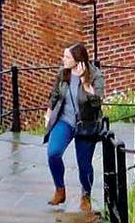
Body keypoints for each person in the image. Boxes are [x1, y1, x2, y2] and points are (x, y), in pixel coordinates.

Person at [45, 42, 105, 210]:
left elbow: (98, 102)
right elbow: (55, 93)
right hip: (65, 120)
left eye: (67, 57)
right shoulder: (63, 72)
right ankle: (60, 189)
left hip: (86, 124)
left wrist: (85, 85)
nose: (63, 59)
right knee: (53, 153)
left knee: (84, 164)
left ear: (77, 60)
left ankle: (86, 195)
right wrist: (49, 112)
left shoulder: (95, 75)